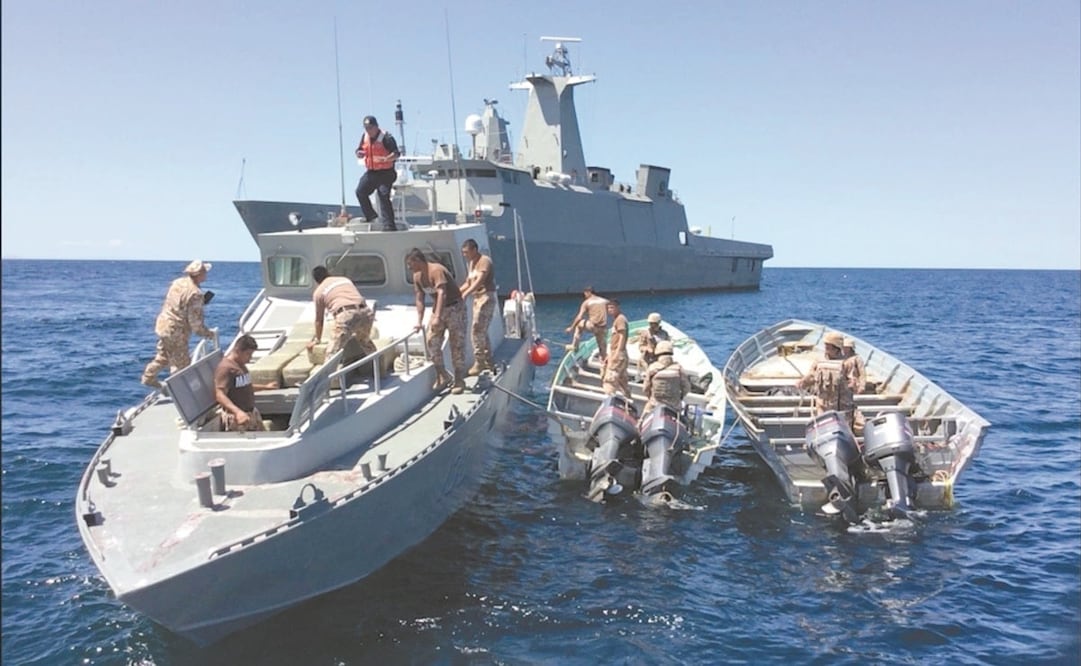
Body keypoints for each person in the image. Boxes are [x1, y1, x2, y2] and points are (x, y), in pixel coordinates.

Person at [140, 260, 216, 389]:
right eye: (205, 272)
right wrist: (208, 334)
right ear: (199, 274)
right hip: (177, 331)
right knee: (182, 366)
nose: (206, 275)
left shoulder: (178, 283)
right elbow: (195, 324)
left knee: (163, 356)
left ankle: (148, 377)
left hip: (164, 325)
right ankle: (181, 392)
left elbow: (178, 303)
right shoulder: (195, 294)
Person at [407, 248, 467, 394]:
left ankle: (459, 379)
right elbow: (419, 298)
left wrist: (437, 316)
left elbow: (442, 293)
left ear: (418, 261)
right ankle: (442, 374)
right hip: (438, 309)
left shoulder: (436, 270)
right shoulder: (417, 277)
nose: (409, 267)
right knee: (431, 341)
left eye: (410, 264)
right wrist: (419, 320)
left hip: (454, 308)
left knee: (456, 344)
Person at [305, 266, 376, 365]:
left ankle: (330, 379)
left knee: (332, 353)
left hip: (346, 314)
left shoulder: (318, 292)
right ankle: (379, 368)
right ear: (328, 273)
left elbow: (319, 320)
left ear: (316, 281)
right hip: (366, 312)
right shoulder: (344, 280)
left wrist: (317, 340)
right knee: (365, 342)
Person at [798, 331, 863, 431]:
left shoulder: (847, 362)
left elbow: (855, 383)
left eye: (829, 346)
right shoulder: (819, 361)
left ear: (836, 347)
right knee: (823, 429)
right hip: (823, 406)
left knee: (845, 430)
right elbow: (812, 376)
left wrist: (855, 385)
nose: (826, 348)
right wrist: (803, 382)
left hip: (843, 407)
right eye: (826, 345)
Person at [214, 334, 278, 432]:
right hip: (237, 418)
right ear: (238, 351)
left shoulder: (240, 365)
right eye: (248, 354)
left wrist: (266, 387)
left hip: (250, 413)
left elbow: (244, 386)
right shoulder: (225, 368)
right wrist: (237, 412)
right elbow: (219, 394)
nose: (250, 358)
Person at [354, 115, 401, 231]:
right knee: (360, 191)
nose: (368, 130)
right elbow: (359, 149)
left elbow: (396, 153)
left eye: (370, 128)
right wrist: (358, 153)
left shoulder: (386, 137)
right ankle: (370, 215)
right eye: (366, 128)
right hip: (372, 172)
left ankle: (389, 224)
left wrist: (388, 158)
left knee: (383, 195)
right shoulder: (364, 137)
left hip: (386, 173)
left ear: (376, 127)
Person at [458, 238, 497, 375]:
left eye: (466, 252)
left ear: (474, 250)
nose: (465, 255)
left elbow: (480, 280)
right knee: (481, 330)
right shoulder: (471, 264)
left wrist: (466, 294)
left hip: (486, 297)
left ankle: (479, 361)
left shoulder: (484, 261)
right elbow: (468, 283)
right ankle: (488, 360)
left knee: (477, 329)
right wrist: (457, 293)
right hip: (477, 298)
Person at [641, 340, 691, 415]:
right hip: (674, 405)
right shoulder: (678, 368)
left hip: (655, 404)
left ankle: (640, 423)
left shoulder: (652, 368)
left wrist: (651, 398)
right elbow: (687, 388)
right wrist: (680, 397)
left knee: (645, 413)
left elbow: (645, 389)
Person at [564, 286, 609, 360]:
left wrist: (571, 328)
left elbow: (579, 317)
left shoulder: (586, 302)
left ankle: (575, 346)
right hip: (603, 328)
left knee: (579, 325)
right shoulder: (605, 301)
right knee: (602, 349)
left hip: (592, 326)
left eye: (585, 294)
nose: (584, 296)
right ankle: (604, 362)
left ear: (588, 292)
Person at [600, 299, 631, 397]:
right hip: (617, 352)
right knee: (622, 380)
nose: (610, 310)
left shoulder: (620, 319)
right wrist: (610, 355)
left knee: (609, 380)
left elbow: (622, 336)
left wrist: (616, 353)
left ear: (618, 307)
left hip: (618, 353)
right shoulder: (617, 319)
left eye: (612, 307)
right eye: (608, 308)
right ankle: (628, 399)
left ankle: (609, 398)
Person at [636, 312, 671, 377]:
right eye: (650, 323)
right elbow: (641, 346)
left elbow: (668, 346)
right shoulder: (646, 333)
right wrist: (646, 348)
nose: (652, 325)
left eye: (654, 324)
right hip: (648, 358)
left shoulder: (664, 334)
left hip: (660, 358)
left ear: (658, 323)